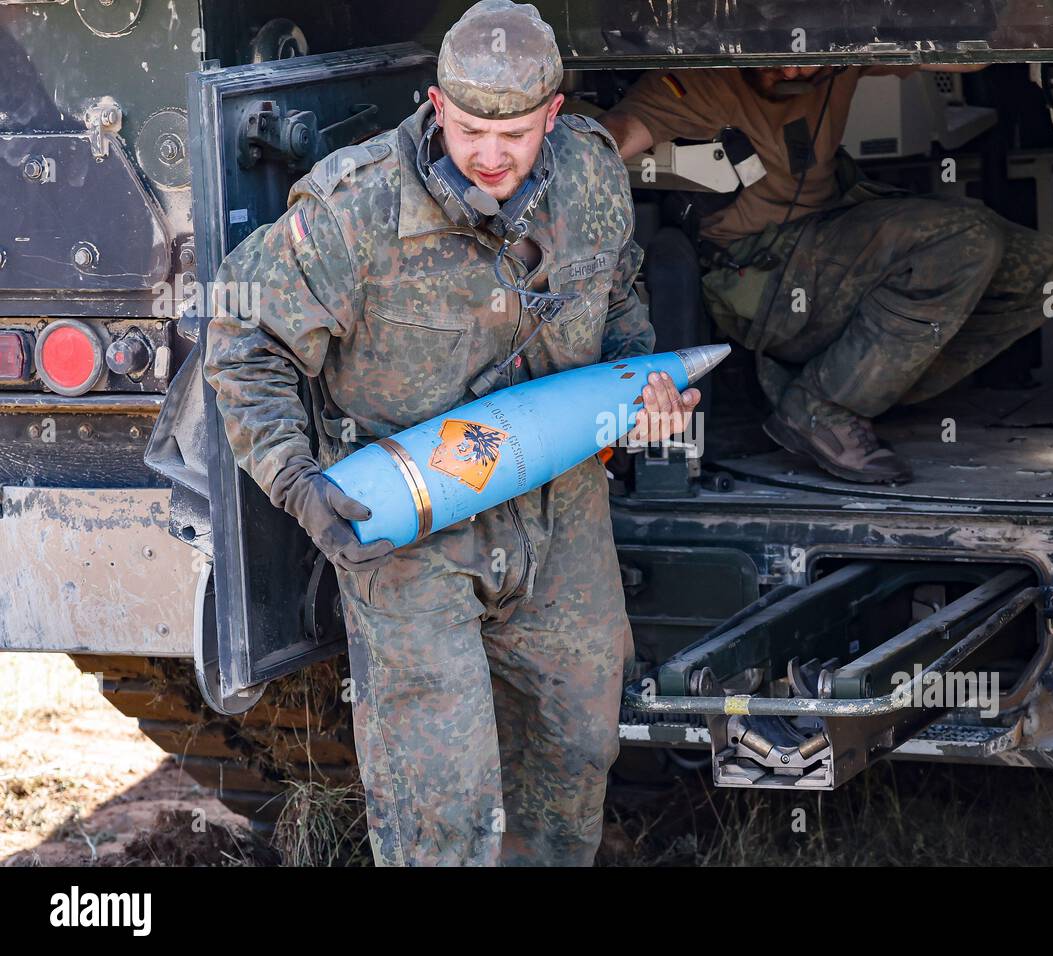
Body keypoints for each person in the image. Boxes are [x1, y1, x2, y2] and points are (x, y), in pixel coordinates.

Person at [203, 0, 698, 866]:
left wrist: (639, 385)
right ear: (435, 104)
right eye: (470, 131)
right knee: (443, 805)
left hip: (560, 511)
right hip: (412, 523)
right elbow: (245, 339)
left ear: (554, 113)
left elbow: (618, 297)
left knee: (576, 755)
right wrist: (295, 481)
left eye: (515, 135)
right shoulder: (357, 209)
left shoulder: (591, 173)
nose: (491, 156)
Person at [602, 65, 1053, 484]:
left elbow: (965, 56)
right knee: (963, 239)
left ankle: (866, 387)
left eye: (807, 59)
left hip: (832, 237)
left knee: (1041, 271)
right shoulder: (700, 78)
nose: (791, 71)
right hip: (764, 279)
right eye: (778, 56)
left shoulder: (841, 57)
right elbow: (611, 141)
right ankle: (822, 408)